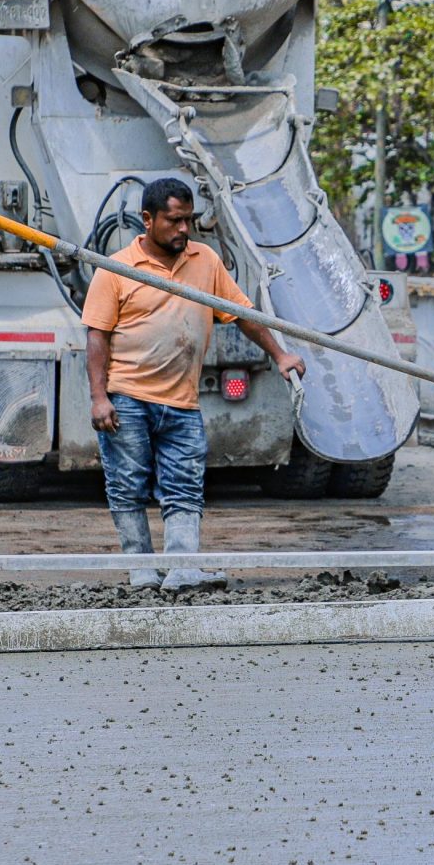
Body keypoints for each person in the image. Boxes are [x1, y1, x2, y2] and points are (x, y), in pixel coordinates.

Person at [82, 177, 306, 592]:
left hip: (183, 402)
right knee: (128, 486)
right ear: (148, 220)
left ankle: (182, 570)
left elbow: (240, 312)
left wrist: (280, 355)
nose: (184, 229)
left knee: (184, 486)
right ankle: (142, 572)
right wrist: (99, 397)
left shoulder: (206, 261)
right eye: (174, 221)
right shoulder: (115, 268)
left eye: (189, 220)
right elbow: (97, 335)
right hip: (128, 399)